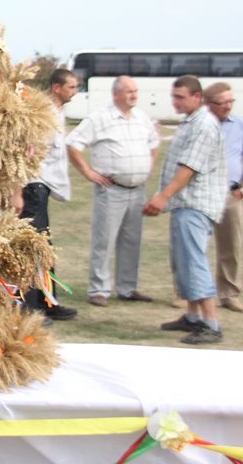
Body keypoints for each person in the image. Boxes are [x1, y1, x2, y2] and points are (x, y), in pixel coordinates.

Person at [143, 75, 227, 344]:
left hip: (195, 204)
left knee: (194, 261)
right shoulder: (191, 122)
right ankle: (192, 316)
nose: (174, 102)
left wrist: (163, 197)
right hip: (185, 204)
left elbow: (188, 168)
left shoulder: (203, 125)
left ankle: (211, 323)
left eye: (180, 97)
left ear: (197, 97)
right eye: (173, 96)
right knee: (183, 261)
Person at [66, 76, 159, 307]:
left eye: (135, 91)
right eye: (129, 91)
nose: (134, 95)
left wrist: (149, 167)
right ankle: (99, 289)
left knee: (132, 241)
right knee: (104, 240)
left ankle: (127, 288)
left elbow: (154, 143)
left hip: (137, 190)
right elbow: (73, 143)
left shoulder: (141, 118)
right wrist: (88, 172)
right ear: (115, 94)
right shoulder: (99, 118)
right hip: (111, 190)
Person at [12, 68, 79, 320]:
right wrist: (17, 193)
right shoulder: (44, 114)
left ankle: (47, 301)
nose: (75, 91)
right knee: (32, 246)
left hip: (43, 187)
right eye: (71, 87)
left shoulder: (59, 114)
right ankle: (28, 305)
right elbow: (24, 152)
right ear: (56, 88)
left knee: (44, 247)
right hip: (34, 188)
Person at [204, 82, 243, 312]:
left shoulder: (239, 125)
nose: (228, 106)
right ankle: (185, 292)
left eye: (231, 101)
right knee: (193, 244)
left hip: (231, 194)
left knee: (232, 245)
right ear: (208, 104)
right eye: (222, 102)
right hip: (202, 193)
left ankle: (229, 293)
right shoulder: (199, 124)